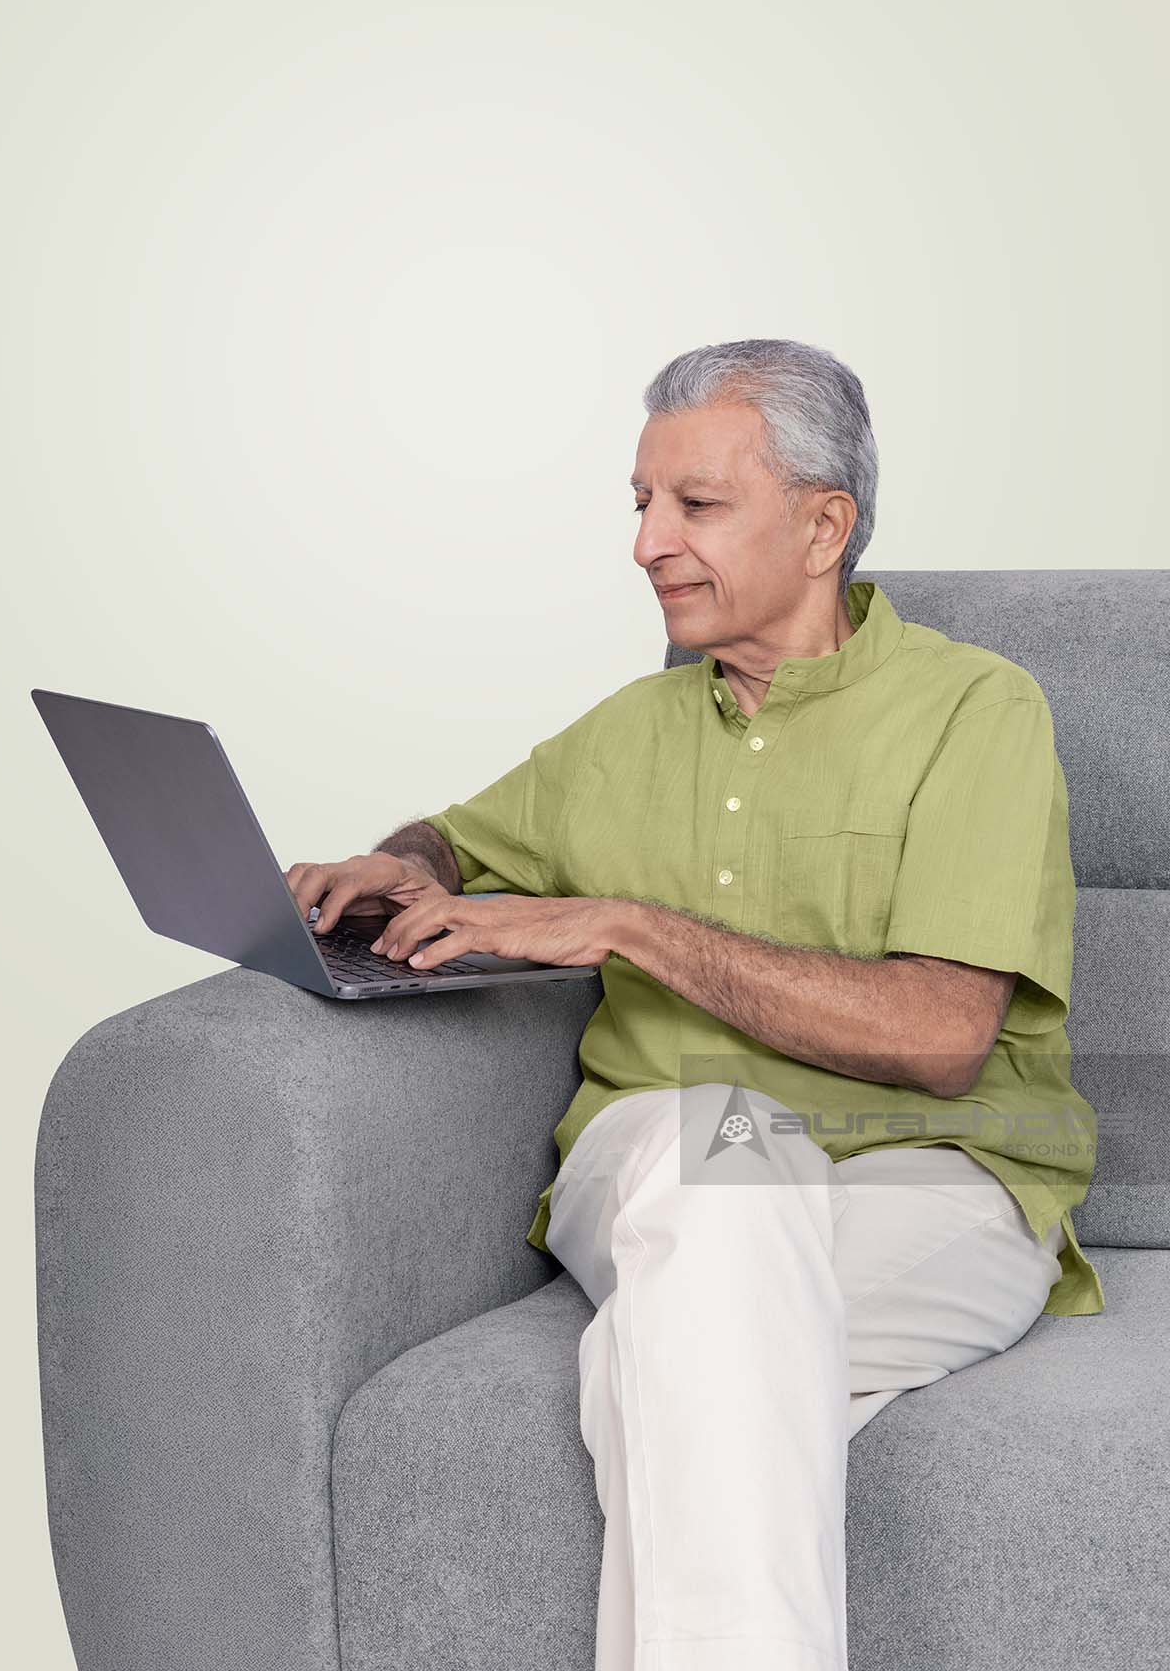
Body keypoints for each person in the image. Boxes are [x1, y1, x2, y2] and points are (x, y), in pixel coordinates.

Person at [285, 338, 1102, 1671]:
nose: (647, 543)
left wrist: (629, 924)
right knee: (721, 1161)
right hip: (673, 1158)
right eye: (641, 503)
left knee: (673, 1361)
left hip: (937, 1182)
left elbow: (942, 1038)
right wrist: (398, 864)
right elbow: (458, 839)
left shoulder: (975, 712)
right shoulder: (626, 732)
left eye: (697, 505)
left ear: (824, 526)